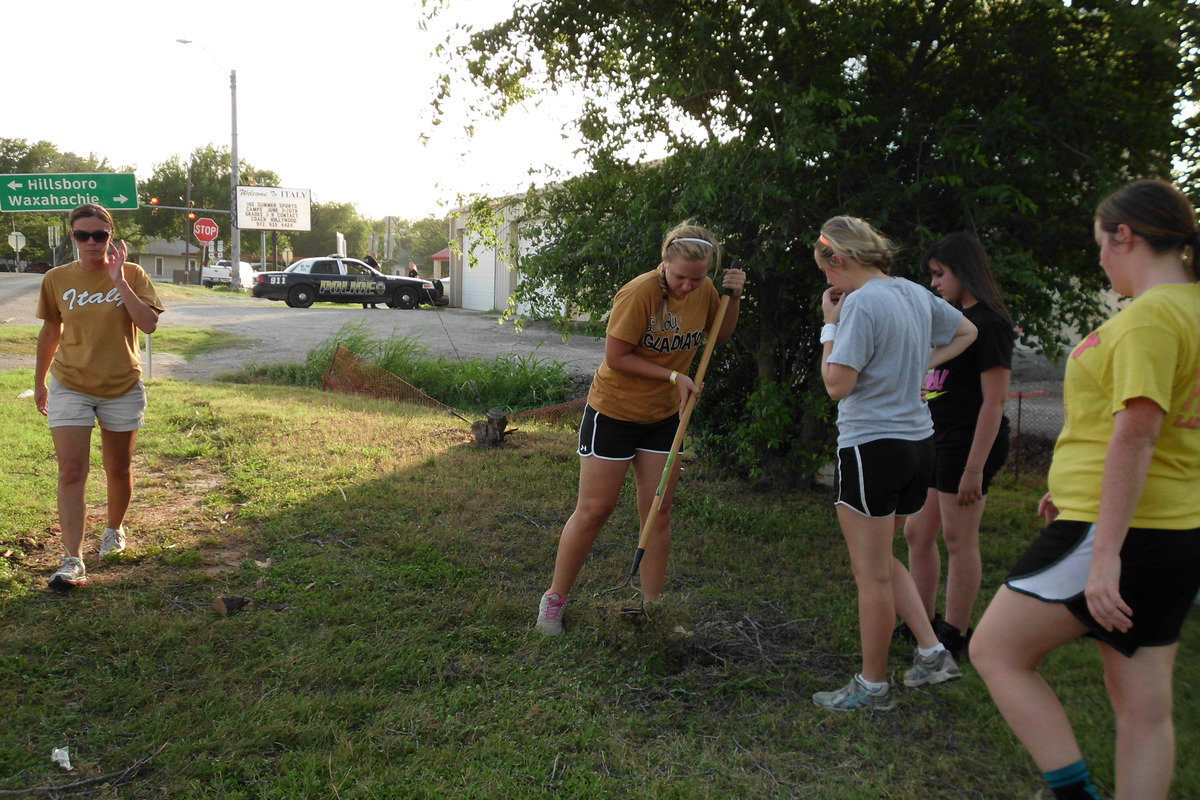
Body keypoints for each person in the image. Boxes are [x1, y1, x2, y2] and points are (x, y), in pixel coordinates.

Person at [971, 179, 1200, 800]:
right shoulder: (1190, 309)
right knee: (1143, 709)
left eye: (1100, 244)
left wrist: (1104, 556)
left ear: (1124, 235)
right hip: (1175, 531)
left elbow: (1138, 435)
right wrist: (1072, 491)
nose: (1100, 259)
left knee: (995, 651)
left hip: (1118, 530)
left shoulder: (1152, 317)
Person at [535, 222, 746, 635]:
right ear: (665, 261)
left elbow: (720, 335)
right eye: (680, 277)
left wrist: (733, 298)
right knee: (595, 509)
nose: (687, 286)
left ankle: (653, 609)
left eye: (697, 278)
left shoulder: (704, 289)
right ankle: (554, 600)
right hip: (614, 412)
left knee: (658, 512)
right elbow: (616, 357)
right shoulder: (639, 293)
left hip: (664, 417)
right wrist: (673, 376)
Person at [812, 215, 977, 711]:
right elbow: (966, 331)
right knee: (883, 559)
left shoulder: (861, 303)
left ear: (840, 259)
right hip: (917, 446)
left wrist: (830, 323)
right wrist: (914, 365)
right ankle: (932, 652)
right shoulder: (911, 291)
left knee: (872, 576)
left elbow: (836, 384)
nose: (829, 282)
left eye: (826, 271)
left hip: (871, 446)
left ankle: (873, 687)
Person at [34, 203, 164, 589]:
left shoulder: (133, 274)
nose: (91, 242)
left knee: (118, 468)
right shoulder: (56, 278)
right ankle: (72, 559)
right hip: (70, 382)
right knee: (72, 470)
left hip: (121, 385)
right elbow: (50, 332)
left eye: (99, 235)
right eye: (82, 235)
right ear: (72, 237)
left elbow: (149, 324)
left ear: (111, 236)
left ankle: (113, 529)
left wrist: (119, 281)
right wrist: (40, 381)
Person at [901, 233, 1014, 657]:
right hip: (936, 437)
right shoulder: (950, 318)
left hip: (969, 443)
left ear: (964, 270)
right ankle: (922, 621)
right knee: (917, 532)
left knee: (958, 537)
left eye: (940, 273)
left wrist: (974, 468)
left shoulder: (991, 322)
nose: (934, 283)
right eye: (932, 275)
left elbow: (995, 401)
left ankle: (955, 632)